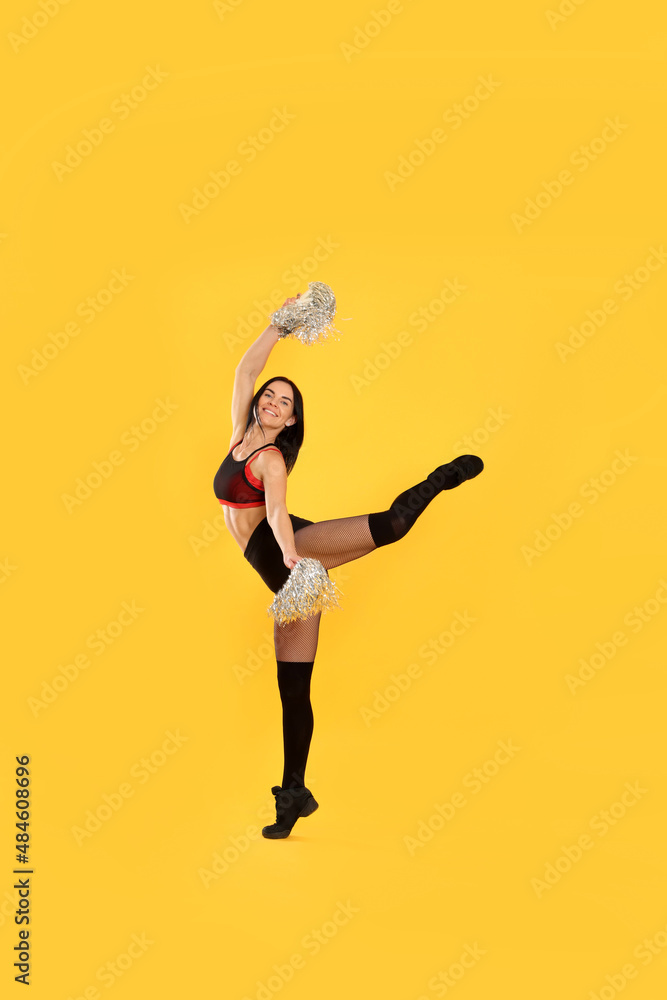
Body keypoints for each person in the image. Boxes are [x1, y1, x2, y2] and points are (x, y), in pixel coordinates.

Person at [213, 295, 484, 839]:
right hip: (286, 574)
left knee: (389, 525)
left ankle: (439, 479)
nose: (272, 400)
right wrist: (281, 323)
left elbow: (276, 515)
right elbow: (247, 367)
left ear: (291, 420)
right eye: (270, 394)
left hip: (292, 556)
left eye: (284, 401)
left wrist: (294, 557)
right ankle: (295, 795)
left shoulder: (270, 460)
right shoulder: (240, 437)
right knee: (293, 688)